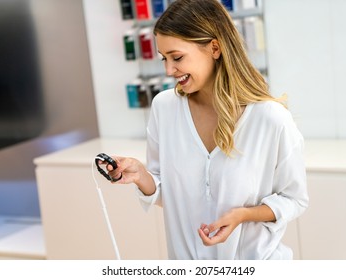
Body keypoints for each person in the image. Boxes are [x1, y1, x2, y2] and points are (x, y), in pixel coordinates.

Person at [107, 0, 309, 259]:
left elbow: (295, 199)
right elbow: (167, 193)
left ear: (214, 48)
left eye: (177, 57)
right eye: (164, 59)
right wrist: (140, 175)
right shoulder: (164, 108)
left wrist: (243, 215)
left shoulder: (270, 119)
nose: (169, 70)